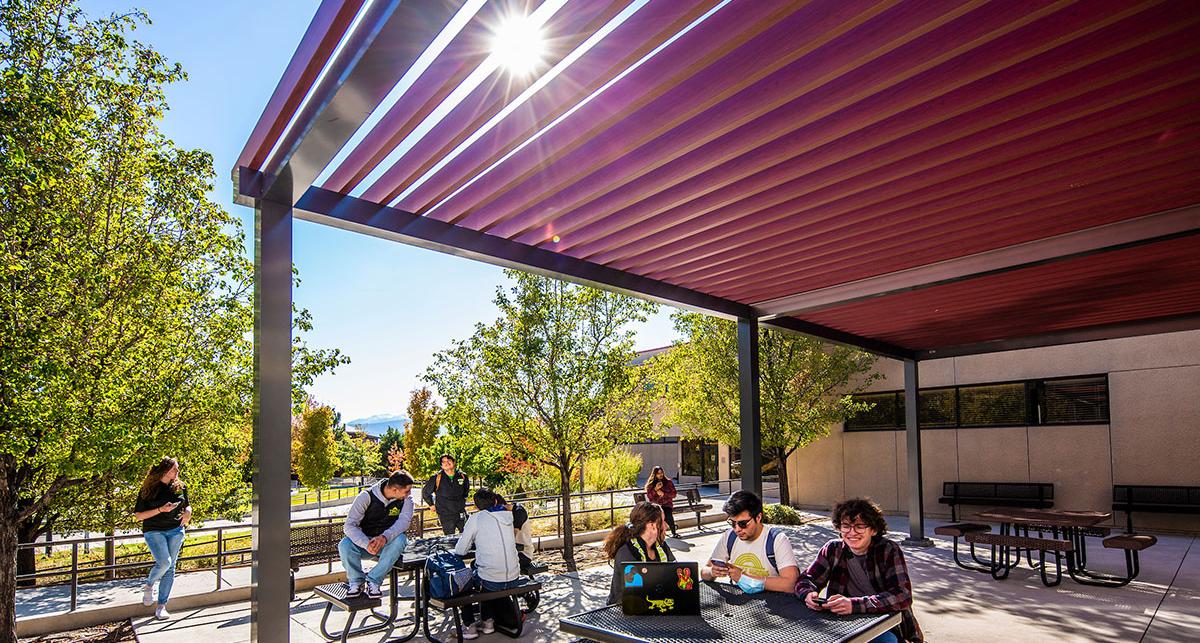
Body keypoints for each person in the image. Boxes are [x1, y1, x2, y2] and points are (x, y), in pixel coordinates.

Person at [795, 497, 923, 643]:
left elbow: (903, 595)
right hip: (842, 623)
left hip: (884, 622)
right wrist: (808, 594)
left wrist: (853, 605)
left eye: (860, 526)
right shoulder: (833, 549)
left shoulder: (888, 550)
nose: (852, 532)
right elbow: (806, 579)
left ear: (874, 530)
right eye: (846, 526)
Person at [701, 490, 799, 594]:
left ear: (758, 517)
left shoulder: (776, 539)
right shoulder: (729, 536)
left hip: (774, 603)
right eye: (732, 523)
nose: (737, 529)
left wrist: (746, 578)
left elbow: (791, 584)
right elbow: (704, 572)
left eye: (743, 523)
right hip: (740, 604)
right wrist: (712, 572)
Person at [455, 489, 522, 640]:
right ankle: (488, 622)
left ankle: (470, 626)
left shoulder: (476, 518)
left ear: (476, 506)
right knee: (483, 572)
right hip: (514, 577)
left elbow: (461, 549)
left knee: (465, 580)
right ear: (495, 501)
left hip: (492, 581)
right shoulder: (508, 516)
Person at [339, 471, 415, 599]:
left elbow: (404, 522)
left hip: (389, 546)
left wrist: (385, 537)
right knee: (344, 545)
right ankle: (356, 581)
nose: (409, 494)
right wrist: (366, 543)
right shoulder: (366, 497)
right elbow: (349, 526)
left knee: (401, 539)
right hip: (366, 543)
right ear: (395, 490)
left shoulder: (407, 500)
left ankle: (374, 580)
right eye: (407, 491)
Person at [132, 457, 192, 620]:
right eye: (174, 469)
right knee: (164, 562)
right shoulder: (148, 489)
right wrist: (160, 509)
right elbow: (138, 516)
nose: (177, 472)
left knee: (170, 568)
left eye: (177, 469)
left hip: (176, 530)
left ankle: (161, 607)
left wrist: (188, 512)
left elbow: (186, 504)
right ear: (164, 470)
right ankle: (149, 585)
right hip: (154, 531)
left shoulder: (180, 486)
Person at [603, 501, 675, 606]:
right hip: (622, 612)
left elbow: (674, 575)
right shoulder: (627, 553)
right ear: (652, 526)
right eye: (663, 521)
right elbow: (636, 595)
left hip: (651, 608)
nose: (666, 525)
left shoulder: (662, 547)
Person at [422, 454, 470, 535]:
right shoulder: (436, 477)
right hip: (445, 514)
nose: (446, 463)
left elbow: (466, 491)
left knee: (468, 534)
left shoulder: (462, 476)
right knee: (449, 538)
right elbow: (426, 492)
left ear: (454, 462)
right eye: (443, 462)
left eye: (449, 461)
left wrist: (462, 502)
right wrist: (431, 504)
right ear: (441, 465)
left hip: (460, 512)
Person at [645, 466, 680, 538]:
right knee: (656, 515)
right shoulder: (651, 484)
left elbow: (674, 494)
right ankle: (655, 534)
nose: (660, 475)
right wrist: (655, 490)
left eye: (661, 473)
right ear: (655, 474)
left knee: (667, 514)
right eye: (658, 473)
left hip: (667, 504)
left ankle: (674, 532)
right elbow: (650, 497)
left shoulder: (668, 482)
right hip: (656, 505)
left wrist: (664, 494)